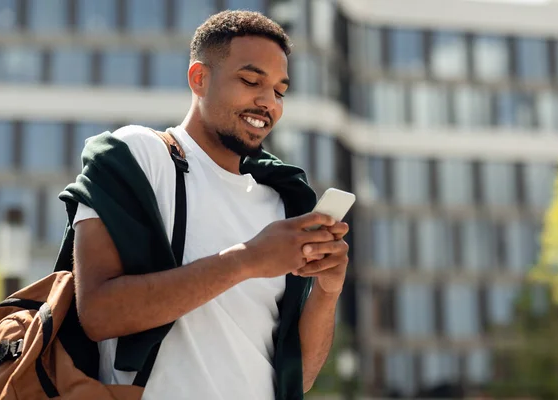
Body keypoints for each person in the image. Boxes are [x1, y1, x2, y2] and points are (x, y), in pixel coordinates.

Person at [68, 10, 350, 400]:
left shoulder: (282, 201)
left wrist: (327, 291)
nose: (268, 102)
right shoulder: (139, 157)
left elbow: (293, 380)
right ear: (199, 79)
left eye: (280, 91)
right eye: (251, 81)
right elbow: (98, 314)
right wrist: (247, 259)